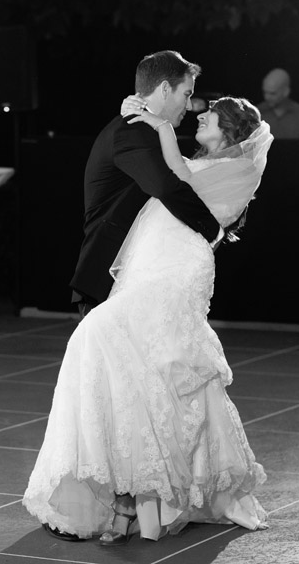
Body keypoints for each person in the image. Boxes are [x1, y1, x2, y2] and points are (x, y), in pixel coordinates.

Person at [23, 95, 273, 546]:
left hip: (177, 269)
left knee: (114, 345)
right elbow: (173, 176)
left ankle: (142, 498)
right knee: (138, 372)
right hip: (155, 262)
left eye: (210, 115)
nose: (200, 115)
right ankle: (135, 499)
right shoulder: (206, 161)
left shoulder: (236, 169)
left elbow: (175, 179)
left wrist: (159, 125)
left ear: (231, 131)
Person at [70, 51, 222, 319]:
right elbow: (165, 187)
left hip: (133, 277)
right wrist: (212, 230)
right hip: (109, 278)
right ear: (165, 89)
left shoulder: (144, 128)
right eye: (186, 94)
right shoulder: (132, 130)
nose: (189, 106)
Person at [258, 68, 299, 139]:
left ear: (286, 92)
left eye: (272, 93)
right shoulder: (256, 115)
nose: (266, 97)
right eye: (265, 92)